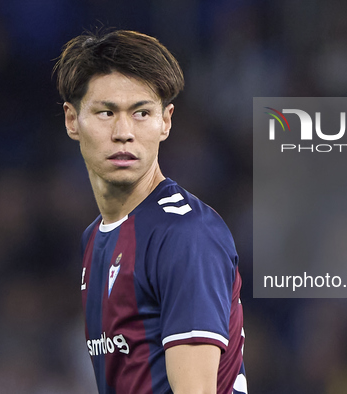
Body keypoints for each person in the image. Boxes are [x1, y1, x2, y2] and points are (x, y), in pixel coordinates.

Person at [53, 29, 247, 394]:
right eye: (106, 112)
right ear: (72, 120)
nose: (124, 132)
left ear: (166, 121)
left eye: (141, 112)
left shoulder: (185, 234)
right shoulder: (95, 237)